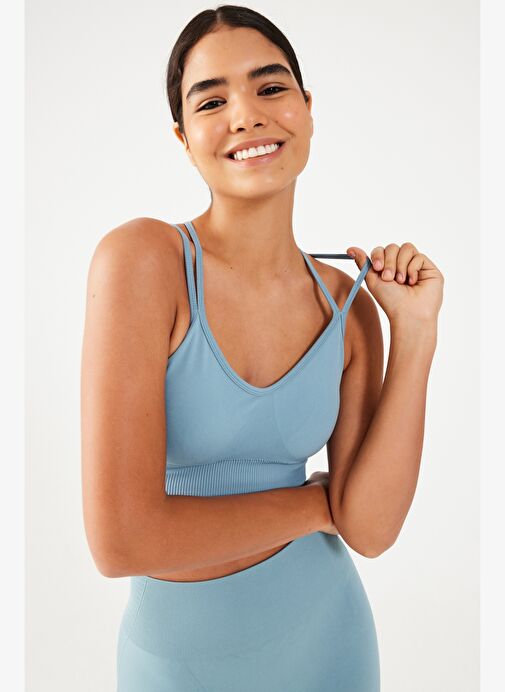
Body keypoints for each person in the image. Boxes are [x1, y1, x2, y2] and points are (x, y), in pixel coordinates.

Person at [80, 5, 443, 691]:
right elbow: (121, 540)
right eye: (211, 100)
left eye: (270, 88)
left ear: (306, 109)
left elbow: (369, 529)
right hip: (175, 667)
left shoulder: (346, 307)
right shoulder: (143, 260)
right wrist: (315, 506)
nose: (245, 115)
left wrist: (416, 333)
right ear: (183, 137)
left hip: (329, 642)